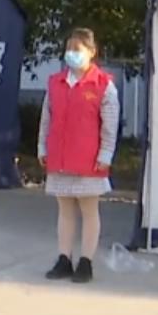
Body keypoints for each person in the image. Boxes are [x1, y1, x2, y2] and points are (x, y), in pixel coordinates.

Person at [39, 28, 119, 284]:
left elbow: (110, 125)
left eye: (78, 49)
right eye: (69, 49)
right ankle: (64, 258)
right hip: (60, 157)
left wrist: (106, 154)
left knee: (88, 209)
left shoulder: (103, 85)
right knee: (64, 209)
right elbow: (46, 118)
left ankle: (86, 261)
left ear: (92, 52)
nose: (72, 54)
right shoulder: (55, 83)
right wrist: (42, 147)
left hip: (89, 159)